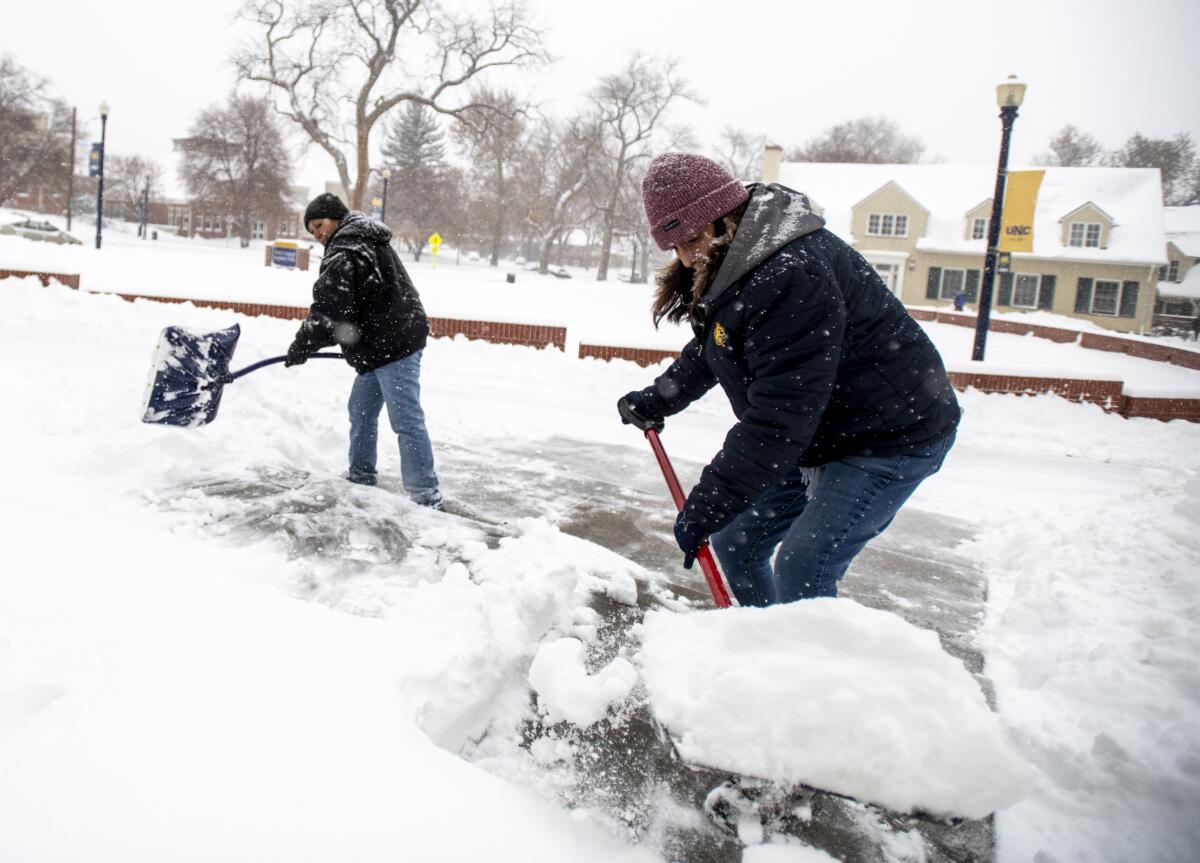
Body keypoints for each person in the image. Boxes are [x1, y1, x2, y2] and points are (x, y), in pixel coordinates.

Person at [618, 154, 960, 606]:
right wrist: (660, 398)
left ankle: (805, 671)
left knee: (804, 566)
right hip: (820, 430)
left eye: (692, 239)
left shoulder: (790, 272)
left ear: (724, 217)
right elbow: (717, 344)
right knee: (737, 545)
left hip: (890, 435)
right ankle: (765, 648)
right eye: (675, 247)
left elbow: (780, 415)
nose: (686, 258)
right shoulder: (739, 261)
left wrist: (708, 503)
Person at [286, 192, 442, 509]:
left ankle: (426, 496)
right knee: (361, 410)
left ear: (336, 218)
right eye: (311, 231)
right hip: (382, 343)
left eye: (319, 225)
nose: (316, 235)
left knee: (406, 421)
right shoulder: (365, 239)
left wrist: (302, 343)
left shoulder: (346, 249)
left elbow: (330, 309)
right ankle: (360, 476)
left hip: (394, 345)